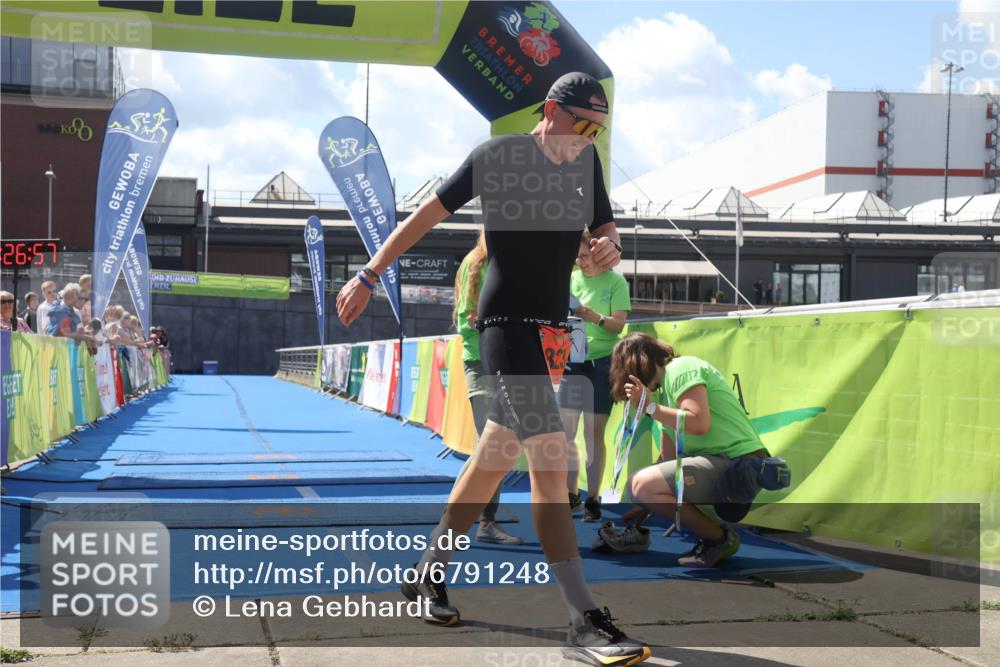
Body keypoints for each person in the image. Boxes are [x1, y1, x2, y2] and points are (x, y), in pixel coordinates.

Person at [336, 72, 649, 666]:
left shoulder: (585, 167)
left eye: (598, 131)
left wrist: (611, 245)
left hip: (552, 334)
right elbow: (424, 218)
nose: (588, 138)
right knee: (552, 464)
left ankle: (426, 573)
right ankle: (582, 618)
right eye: (581, 125)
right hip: (504, 329)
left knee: (491, 461)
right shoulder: (499, 156)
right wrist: (370, 273)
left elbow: (605, 230)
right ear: (550, 111)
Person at [607, 332, 771, 567]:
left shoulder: (681, 369)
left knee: (640, 483)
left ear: (638, 367)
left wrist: (650, 407)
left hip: (740, 464)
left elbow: (698, 423)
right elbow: (668, 458)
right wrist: (646, 503)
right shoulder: (664, 389)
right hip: (723, 462)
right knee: (640, 485)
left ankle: (719, 540)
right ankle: (716, 535)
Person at [452, 230, 523, 546]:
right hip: (481, 363)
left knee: (494, 445)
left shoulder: (499, 260)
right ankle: (475, 518)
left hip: (500, 363)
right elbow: (469, 320)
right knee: (489, 445)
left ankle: (477, 519)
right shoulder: (475, 263)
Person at [561, 230, 630, 522]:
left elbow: (619, 327)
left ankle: (593, 498)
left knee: (593, 434)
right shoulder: (570, 279)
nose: (580, 262)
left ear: (599, 254)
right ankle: (570, 495)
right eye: (576, 257)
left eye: (585, 256)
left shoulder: (616, 282)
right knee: (565, 434)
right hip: (571, 362)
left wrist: (595, 317)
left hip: (602, 364)